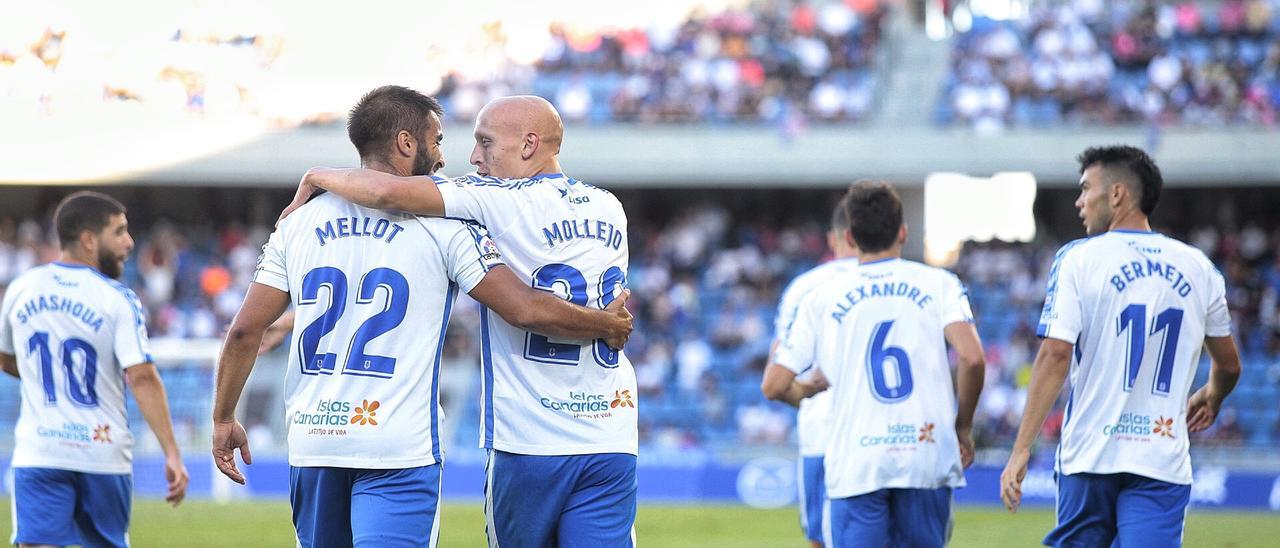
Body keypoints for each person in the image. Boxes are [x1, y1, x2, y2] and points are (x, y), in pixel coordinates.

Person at [212, 87, 632, 548]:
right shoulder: (461, 223)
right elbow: (522, 307)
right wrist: (607, 324)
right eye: (438, 141)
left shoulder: (298, 224)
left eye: (483, 142)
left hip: (317, 441)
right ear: (408, 144)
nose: (458, 158)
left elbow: (245, 331)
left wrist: (224, 416)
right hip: (406, 445)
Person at [1000, 145, 1241, 547]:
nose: (1079, 201)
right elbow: (1230, 365)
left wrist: (1021, 447)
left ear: (1116, 194)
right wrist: (1212, 396)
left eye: (1085, 189)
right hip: (1159, 458)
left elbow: (1055, 354)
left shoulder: (1078, 258)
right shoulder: (1200, 267)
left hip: (1090, 456)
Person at [769, 181, 986, 548]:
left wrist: (805, 391)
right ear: (903, 232)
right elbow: (972, 357)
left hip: (857, 460)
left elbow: (773, 384)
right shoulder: (940, 283)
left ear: (849, 238)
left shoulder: (819, 296)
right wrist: (962, 427)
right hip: (925, 453)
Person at [0, 191, 189, 548]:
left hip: (40, 450)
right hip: (100, 452)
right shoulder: (117, 298)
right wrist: (172, 453)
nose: (129, 242)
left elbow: (7, 359)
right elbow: (143, 377)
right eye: (119, 232)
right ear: (89, 239)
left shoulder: (20, 289)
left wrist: (47, 378)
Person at [761, 192, 858, 548]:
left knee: (821, 538)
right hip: (892, 435)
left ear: (836, 238)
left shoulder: (806, 287)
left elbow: (775, 375)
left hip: (823, 432)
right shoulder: (916, 282)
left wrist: (805, 393)